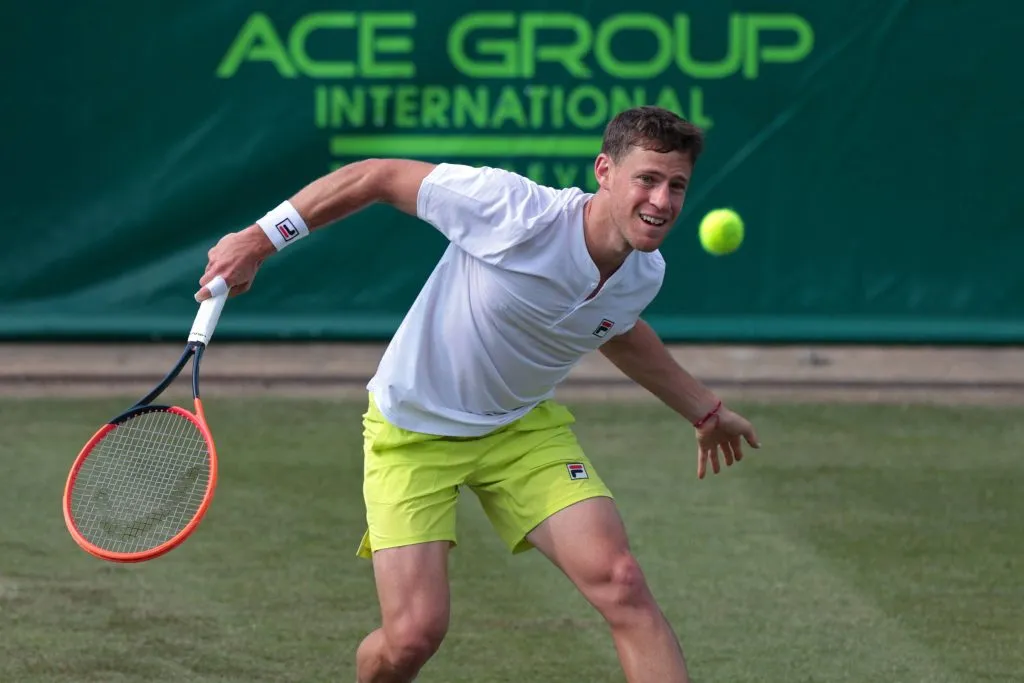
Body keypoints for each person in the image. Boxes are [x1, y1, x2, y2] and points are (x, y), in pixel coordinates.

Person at [195, 105, 761, 683]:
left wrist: (704, 410)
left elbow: (614, 331)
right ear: (605, 171)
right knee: (411, 639)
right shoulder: (513, 210)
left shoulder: (644, 272)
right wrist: (259, 240)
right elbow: (377, 177)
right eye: (647, 179)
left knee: (621, 582)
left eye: (676, 186)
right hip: (413, 430)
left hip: (518, 429)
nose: (662, 201)